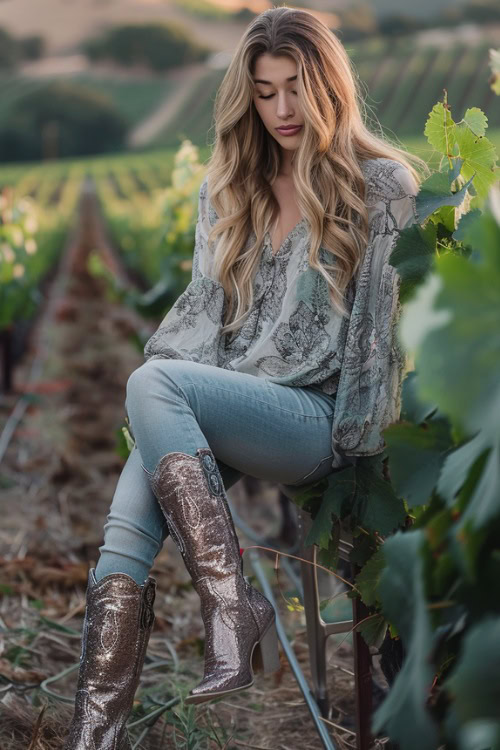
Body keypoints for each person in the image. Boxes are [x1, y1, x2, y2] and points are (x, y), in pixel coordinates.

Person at [63, 6, 427, 748]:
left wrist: (359, 463)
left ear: (328, 85)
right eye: (265, 91)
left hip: (319, 423)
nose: (282, 109)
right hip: (236, 408)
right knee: (124, 532)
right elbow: (201, 322)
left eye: (296, 87)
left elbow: (375, 346)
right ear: (248, 96)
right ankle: (90, 734)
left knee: (151, 384)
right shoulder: (232, 187)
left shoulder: (380, 185)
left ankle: (230, 606)